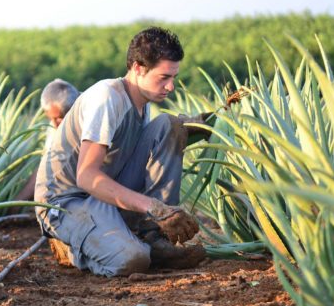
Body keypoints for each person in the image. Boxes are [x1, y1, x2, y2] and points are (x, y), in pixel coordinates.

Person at [34, 26, 206, 277]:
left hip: (100, 193)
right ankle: (72, 249)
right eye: (163, 77)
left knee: (172, 125)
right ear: (138, 68)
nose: (170, 87)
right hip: (66, 203)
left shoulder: (142, 104)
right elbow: (86, 177)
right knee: (133, 260)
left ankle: (154, 237)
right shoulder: (107, 99)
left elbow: (149, 148)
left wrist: (192, 128)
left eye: (173, 78)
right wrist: (155, 207)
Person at [15, 79, 79, 201]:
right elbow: (46, 166)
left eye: (59, 118)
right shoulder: (55, 127)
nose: (54, 124)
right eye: (50, 118)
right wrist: (17, 201)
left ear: (73, 109)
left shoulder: (90, 119)